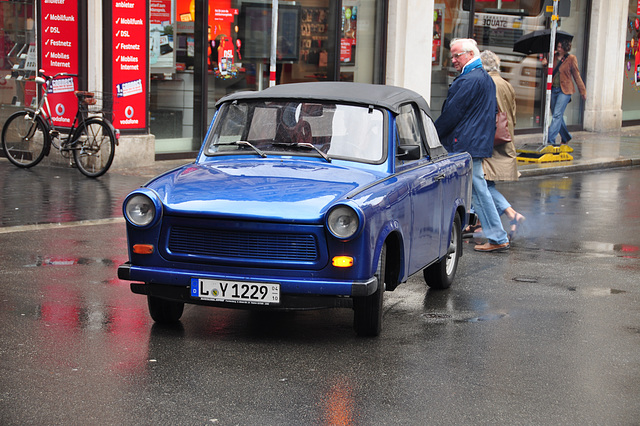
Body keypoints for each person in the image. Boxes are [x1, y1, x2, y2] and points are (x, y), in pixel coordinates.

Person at [435, 39, 510, 252]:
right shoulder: (482, 77)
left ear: (469, 54)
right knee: (477, 189)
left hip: (464, 143)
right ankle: (495, 235)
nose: (453, 60)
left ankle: (496, 236)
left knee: (474, 189)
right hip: (473, 142)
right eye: (453, 56)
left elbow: (453, 113)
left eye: (457, 55)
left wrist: (432, 134)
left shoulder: (470, 79)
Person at [479, 50, 526, 240]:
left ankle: (511, 214)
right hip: (504, 137)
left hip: (491, 139)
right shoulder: (506, 84)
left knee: (482, 183)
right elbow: (512, 113)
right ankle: (485, 223)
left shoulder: (488, 83)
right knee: (485, 181)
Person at [546, 39, 587, 145]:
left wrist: (582, 91)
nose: (558, 49)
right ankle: (566, 136)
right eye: (557, 47)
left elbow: (576, 75)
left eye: (560, 47)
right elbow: (548, 74)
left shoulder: (571, 59)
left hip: (565, 91)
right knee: (557, 115)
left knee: (557, 115)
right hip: (553, 89)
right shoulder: (552, 57)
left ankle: (550, 140)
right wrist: (545, 64)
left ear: (565, 48)